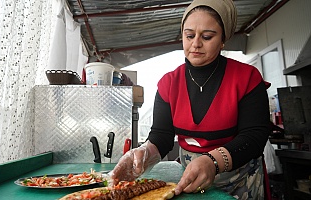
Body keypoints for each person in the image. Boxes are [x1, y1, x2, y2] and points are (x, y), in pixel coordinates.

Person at [110, 0, 271, 199]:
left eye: (207, 36)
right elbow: (162, 136)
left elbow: (254, 137)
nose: (196, 44)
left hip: (239, 181)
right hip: (191, 182)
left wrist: (212, 161)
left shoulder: (247, 78)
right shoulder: (169, 83)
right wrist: (144, 153)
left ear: (223, 39)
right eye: (189, 35)